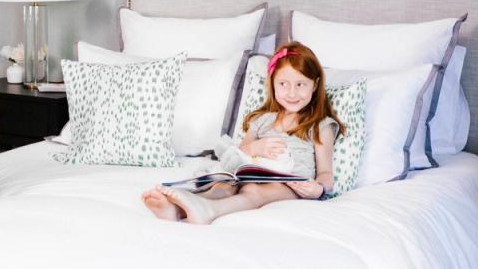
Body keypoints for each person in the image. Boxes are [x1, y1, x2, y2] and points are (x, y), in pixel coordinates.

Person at [142, 41, 344, 224]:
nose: (292, 93)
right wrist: (256, 147)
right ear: (272, 84)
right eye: (283, 84)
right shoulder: (262, 121)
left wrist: (319, 189)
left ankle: (209, 210)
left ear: (315, 85)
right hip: (251, 176)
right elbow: (237, 154)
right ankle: (177, 210)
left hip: (290, 185)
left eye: (300, 85)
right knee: (223, 185)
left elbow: (326, 173)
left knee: (253, 191)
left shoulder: (320, 126)